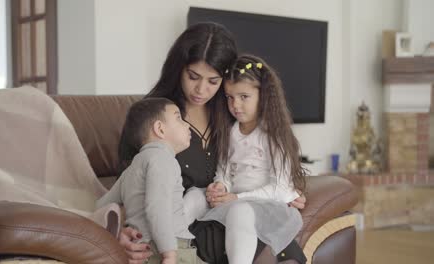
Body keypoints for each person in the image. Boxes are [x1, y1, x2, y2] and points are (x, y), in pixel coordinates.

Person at [118, 22, 306, 264]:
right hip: (186, 229)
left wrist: (293, 191)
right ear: (179, 69)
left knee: (268, 237)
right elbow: (128, 182)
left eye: (213, 81)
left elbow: (272, 161)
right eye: (193, 76)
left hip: (236, 220)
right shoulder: (154, 116)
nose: (201, 89)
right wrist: (122, 230)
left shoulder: (233, 112)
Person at [196, 54, 307, 264]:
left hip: (265, 206)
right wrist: (220, 185)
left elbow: (281, 188)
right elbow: (225, 170)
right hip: (235, 199)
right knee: (194, 197)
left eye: (243, 97)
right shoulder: (231, 132)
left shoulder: (273, 135)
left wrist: (237, 199)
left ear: (263, 96)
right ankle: (167, 246)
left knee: (240, 211)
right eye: (229, 97)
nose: (235, 105)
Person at [97, 98, 200, 264]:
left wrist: (117, 232)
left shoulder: (131, 170)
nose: (187, 124)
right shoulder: (163, 159)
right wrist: (169, 254)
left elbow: (102, 207)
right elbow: (157, 207)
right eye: (179, 118)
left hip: (141, 249)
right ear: (159, 129)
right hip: (168, 248)